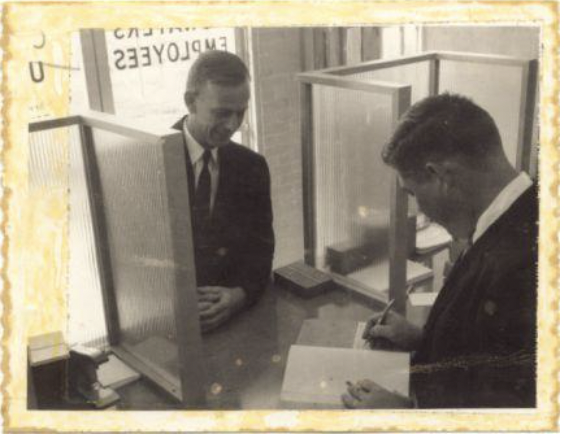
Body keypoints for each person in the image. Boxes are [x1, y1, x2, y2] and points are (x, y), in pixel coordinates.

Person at [343, 93, 537, 409]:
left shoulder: (527, 265)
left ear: (440, 176)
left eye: (413, 193)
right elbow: (491, 355)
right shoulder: (512, 218)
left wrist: (405, 417)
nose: (420, 210)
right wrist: (424, 340)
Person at [172, 50, 275, 333]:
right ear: (190, 102)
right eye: (221, 113)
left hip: (233, 321)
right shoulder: (150, 160)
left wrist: (238, 296)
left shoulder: (252, 166)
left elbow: (261, 251)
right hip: (170, 327)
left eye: (240, 112)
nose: (232, 125)